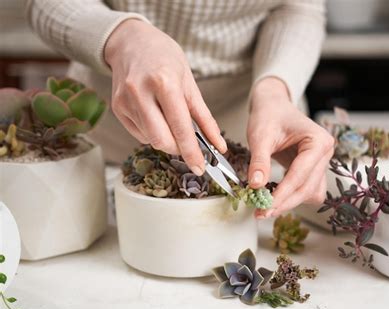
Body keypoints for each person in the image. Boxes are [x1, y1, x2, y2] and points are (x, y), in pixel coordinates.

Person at [26, 0, 334, 218]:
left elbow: (299, 7)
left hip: (252, 140)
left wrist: (276, 89)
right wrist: (121, 37)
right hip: (110, 133)